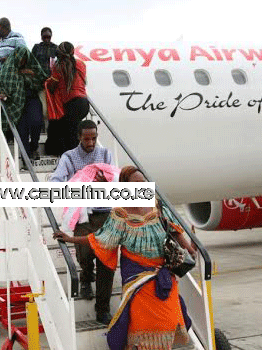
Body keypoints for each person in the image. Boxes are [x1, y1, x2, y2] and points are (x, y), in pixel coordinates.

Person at [54, 166, 196, 350]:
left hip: (164, 277)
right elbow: (100, 239)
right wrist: (70, 238)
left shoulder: (156, 203)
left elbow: (173, 229)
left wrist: (188, 248)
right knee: (143, 329)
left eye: (144, 183)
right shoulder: (120, 213)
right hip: (139, 279)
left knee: (168, 323)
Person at [50, 119, 114, 324]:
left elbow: (115, 179)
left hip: (104, 213)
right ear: (79, 137)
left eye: (94, 138)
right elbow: (56, 181)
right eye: (87, 139)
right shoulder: (69, 157)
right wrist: (74, 185)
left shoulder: (105, 154)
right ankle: (86, 277)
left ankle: (102, 309)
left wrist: (107, 182)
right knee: (85, 254)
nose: (91, 142)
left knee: (106, 262)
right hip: (83, 213)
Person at [0, 46, 48, 160]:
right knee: (22, 130)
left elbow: (42, 81)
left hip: (31, 99)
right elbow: (3, 82)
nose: (22, 61)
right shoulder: (9, 68)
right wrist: (3, 93)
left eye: (24, 58)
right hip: (16, 103)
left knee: (36, 122)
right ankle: (26, 157)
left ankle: (34, 147)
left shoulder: (33, 67)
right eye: (20, 58)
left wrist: (31, 75)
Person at [45, 41, 89, 156]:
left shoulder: (58, 67)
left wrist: (47, 82)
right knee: (73, 131)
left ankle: (71, 160)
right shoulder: (81, 64)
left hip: (72, 103)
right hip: (84, 103)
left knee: (69, 134)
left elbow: (52, 86)